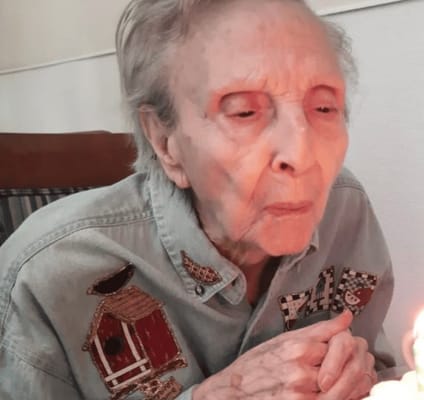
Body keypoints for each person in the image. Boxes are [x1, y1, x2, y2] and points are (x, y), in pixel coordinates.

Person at [0, 0, 395, 399]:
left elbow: (383, 374)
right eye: (244, 112)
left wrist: (363, 376)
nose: (303, 154)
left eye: (324, 107)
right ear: (164, 141)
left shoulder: (345, 210)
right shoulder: (47, 276)